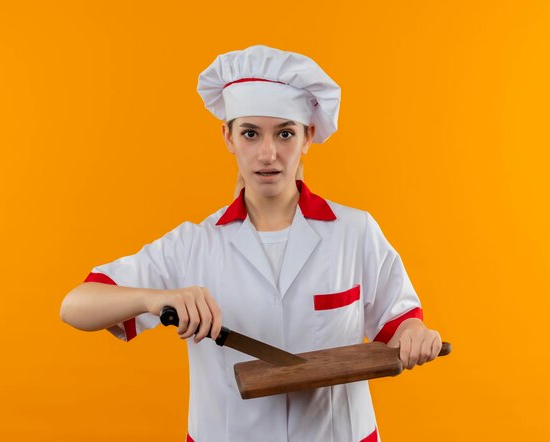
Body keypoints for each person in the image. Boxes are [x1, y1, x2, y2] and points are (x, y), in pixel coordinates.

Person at [60, 45, 443, 442]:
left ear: (308, 137)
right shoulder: (193, 243)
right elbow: (75, 306)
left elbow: (400, 325)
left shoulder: (355, 231)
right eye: (250, 133)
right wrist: (153, 300)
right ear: (227, 136)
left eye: (285, 133)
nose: (268, 153)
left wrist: (415, 334)